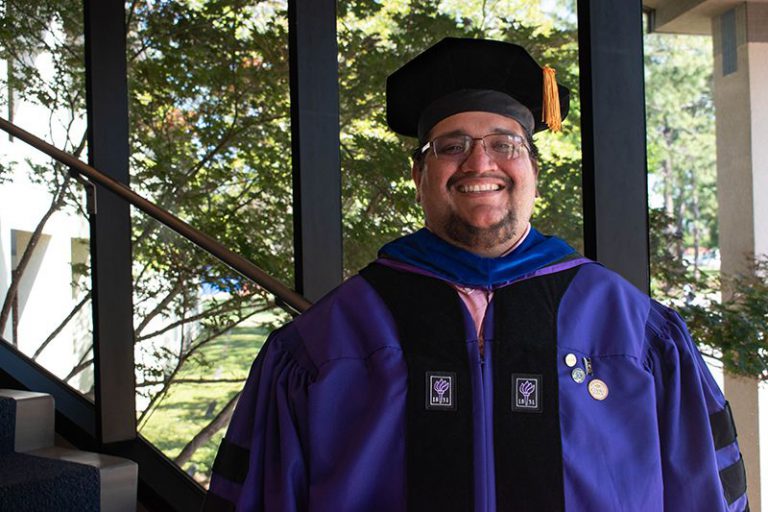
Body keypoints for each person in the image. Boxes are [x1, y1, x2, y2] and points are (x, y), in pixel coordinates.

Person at [203, 37, 748, 512]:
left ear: (532, 168)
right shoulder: (326, 339)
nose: (479, 163)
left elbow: (705, 492)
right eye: (451, 146)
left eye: (504, 145)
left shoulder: (638, 330)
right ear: (419, 174)